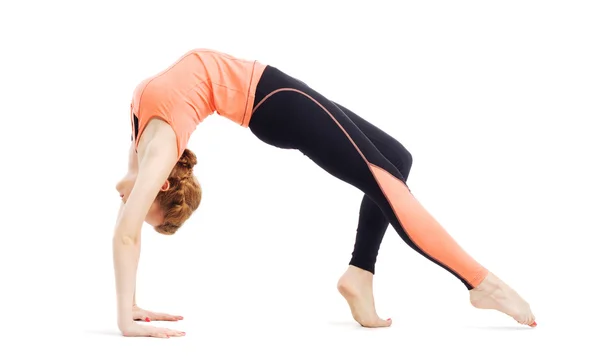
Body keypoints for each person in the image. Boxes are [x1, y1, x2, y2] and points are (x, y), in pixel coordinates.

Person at [114, 48, 536, 338]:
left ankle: (360, 274)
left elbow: (126, 233)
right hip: (274, 101)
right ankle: (482, 283)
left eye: (137, 205)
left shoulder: (149, 151)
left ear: (162, 185)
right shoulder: (152, 148)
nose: (129, 205)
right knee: (385, 182)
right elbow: (127, 234)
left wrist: (125, 312)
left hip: (276, 98)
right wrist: (128, 308)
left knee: (395, 161)